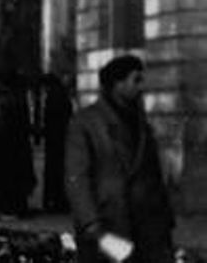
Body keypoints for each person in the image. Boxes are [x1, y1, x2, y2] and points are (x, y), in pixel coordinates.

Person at [65, 54, 175, 263]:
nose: (142, 87)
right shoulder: (86, 123)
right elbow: (77, 178)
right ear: (117, 83)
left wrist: (166, 222)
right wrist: (92, 226)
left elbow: (153, 174)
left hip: (147, 228)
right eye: (136, 80)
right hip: (109, 226)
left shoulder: (141, 122)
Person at [0, 69, 36, 217]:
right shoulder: (19, 98)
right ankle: (18, 205)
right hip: (19, 145)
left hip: (7, 146)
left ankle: (9, 207)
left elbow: (1, 125)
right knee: (18, 178)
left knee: (7, 178)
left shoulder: (4, 101)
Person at [39, 73, 72, 213]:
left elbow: (49, 119)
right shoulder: (63, 95)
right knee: (59, 171)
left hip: (54, 140)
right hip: (61, 138)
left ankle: (52, 201)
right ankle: (59, 201)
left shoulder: (52, 97)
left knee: (53, 171)